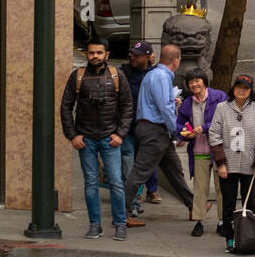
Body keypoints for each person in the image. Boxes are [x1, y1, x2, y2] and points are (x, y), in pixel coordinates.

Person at [60, 38, 133, 241]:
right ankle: (95, 225)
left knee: (116, 183)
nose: (95, 56)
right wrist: (72, 135)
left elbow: (128, 106)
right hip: (86, 138)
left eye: (99, 53)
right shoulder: (78, 76)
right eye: (91, 53)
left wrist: (120, 134)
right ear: (87, 54)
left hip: (110, 138)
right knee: (90, 183)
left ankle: (120, 223)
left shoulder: (117, 76)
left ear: (106, 54)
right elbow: (66, 106)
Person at [122, 43, 195, 227]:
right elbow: (165, 108)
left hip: (154, 130)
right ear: (176, 60)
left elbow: (162, 104)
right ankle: (121, 214)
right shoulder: (161, 76)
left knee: (174, 170)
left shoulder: (154, 75)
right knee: (139, 173)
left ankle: (194, 205)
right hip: (155, 130)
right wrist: (176, 132)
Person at [209, 74, 255, 254]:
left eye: (245, 88)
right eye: (238, 87)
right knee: (228, 204)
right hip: (228, 164)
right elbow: (214, 135)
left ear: (251, 91)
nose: (241, 90)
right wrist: (221, 163)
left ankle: (248, 239)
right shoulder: (222, 108)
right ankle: (229, 239)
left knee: (249, 204)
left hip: (249, 165)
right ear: (233, 88)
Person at [176, 70, 226, 238]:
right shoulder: (187, 103)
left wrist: (204, 127)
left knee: (223, 188)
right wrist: (183, 132)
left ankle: (223, 221)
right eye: (191, 82)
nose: (194, 84)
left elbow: (225, 120)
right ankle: (199, 221)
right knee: (200, 188)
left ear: (204, 81)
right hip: (199, 150)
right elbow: (180, 123)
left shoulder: (219, 97)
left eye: (197, 81)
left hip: (220, 151)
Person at [118, 41, 161, 214]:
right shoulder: (123, 73)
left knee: (146, 164)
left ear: (148, 57)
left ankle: (150, 190)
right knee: (128, 168)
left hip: (147, 129)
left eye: (137, 55)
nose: (132, 57)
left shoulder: (155, 74)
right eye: (131, 54)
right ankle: (133, 203)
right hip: (127, 128)